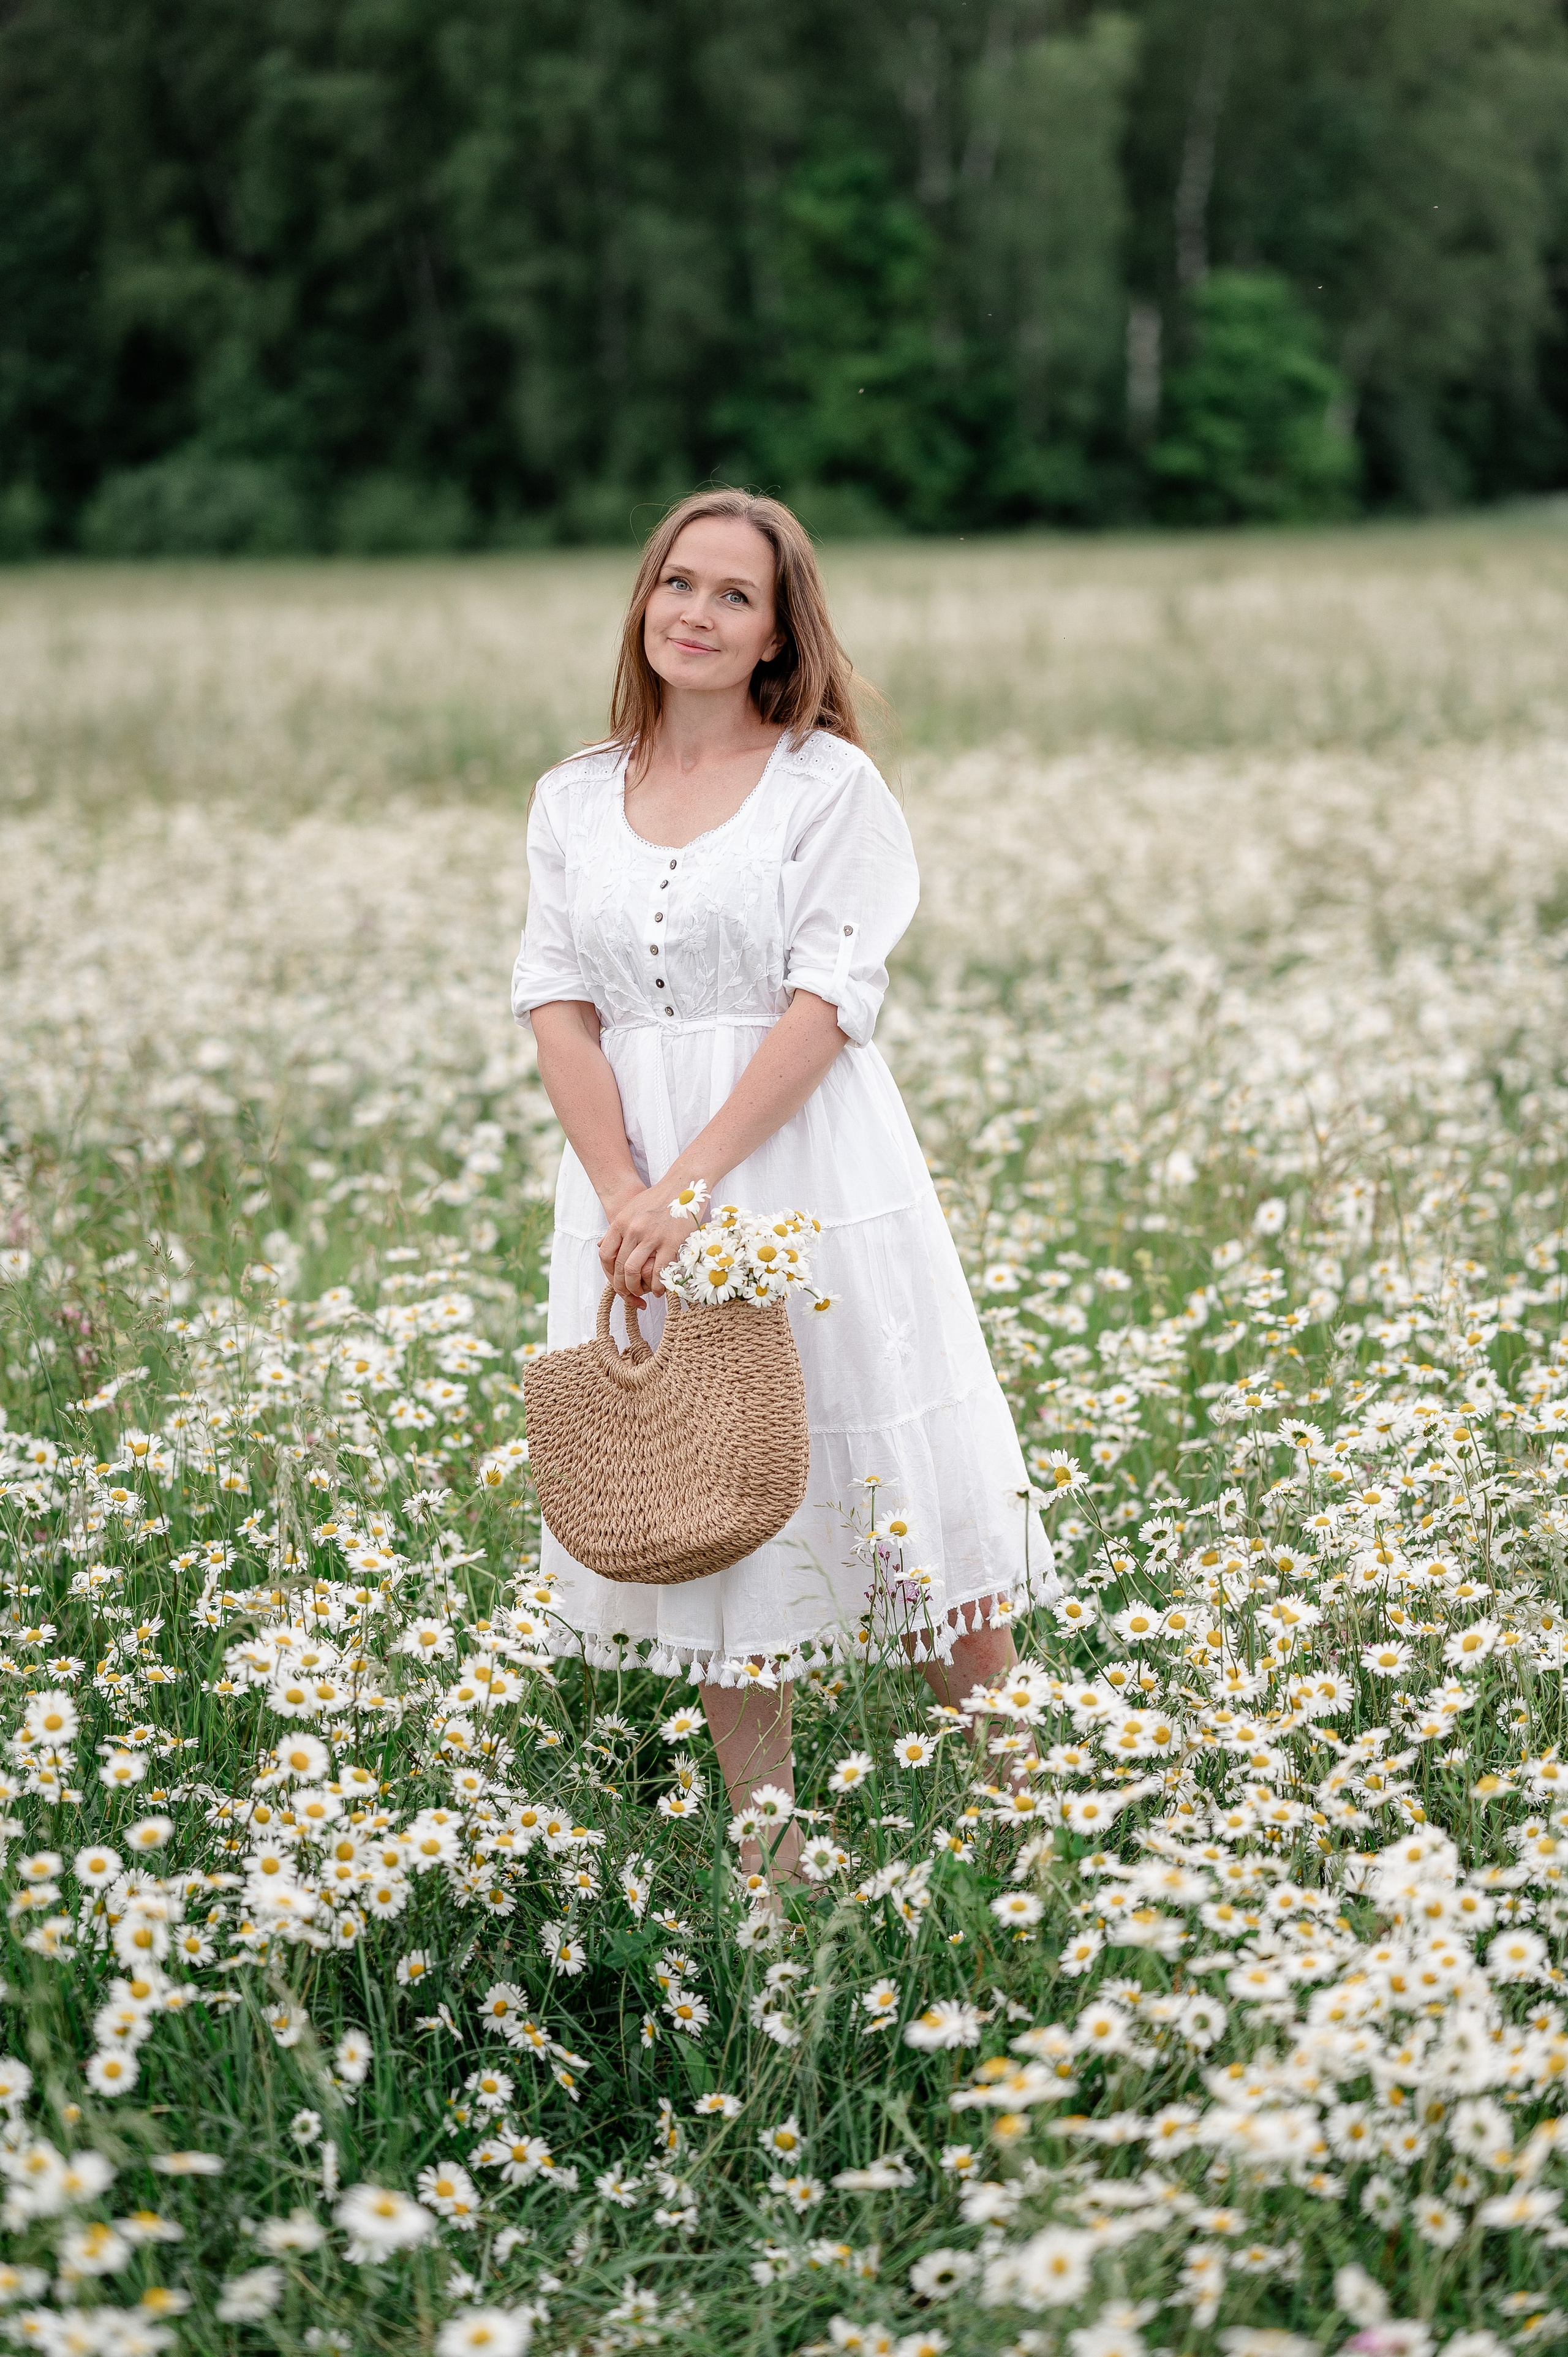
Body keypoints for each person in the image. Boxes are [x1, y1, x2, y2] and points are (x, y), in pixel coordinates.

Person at [511, 489, 1054, 1886]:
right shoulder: (574, 793)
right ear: (644, 601)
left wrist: (687, 1185)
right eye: (674, 583)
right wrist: (625, 1188)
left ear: (774, 631)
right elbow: (556, 1001)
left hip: (799, 1165)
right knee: (708, 1478)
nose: (693, 611)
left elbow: (828, 999)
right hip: (627, 1180)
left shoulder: (826, 784)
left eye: (731, 596)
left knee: (887, 1466)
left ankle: (1029, 1820)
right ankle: (771, 1854)